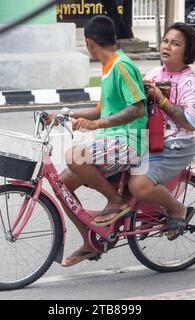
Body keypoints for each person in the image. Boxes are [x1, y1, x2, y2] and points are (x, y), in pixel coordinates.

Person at [52, 15, 148, 266]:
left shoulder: (121, 66)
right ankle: (90, 243)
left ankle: (117, 202)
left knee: (73, 155)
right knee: (61, 185)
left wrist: (96, 125)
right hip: (112, 141)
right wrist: (65, 115)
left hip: (130, 142)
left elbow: (136, 108)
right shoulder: (108, 68)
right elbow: (103, 109)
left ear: (90, 42)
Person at [128, 22, 195, 241]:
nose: (167, 47)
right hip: (149, 140)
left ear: (187, 51)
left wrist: (161, 100)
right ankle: (150, 210)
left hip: (176, 145)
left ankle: (177, 209)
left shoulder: (191, 83)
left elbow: (191, 123)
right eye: (165, 41)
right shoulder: (154, 73)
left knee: (139, 184)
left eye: (175, 44)